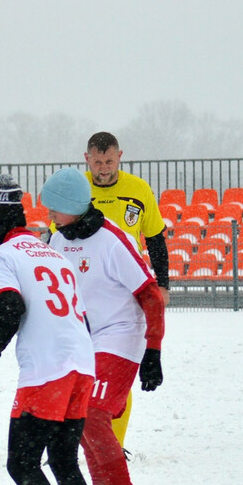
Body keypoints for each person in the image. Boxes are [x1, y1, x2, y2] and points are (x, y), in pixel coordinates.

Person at [0, 175, 98, 485]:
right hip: (83, 361)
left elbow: (10, 306)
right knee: (64, 462)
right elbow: (82, 315)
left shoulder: (4, 255)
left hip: (48, 371)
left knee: (22, 464)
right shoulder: (52, 253)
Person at [42, 168, 166, 485]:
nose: (50, 216)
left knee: (94, 416)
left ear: (72, 207)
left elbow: (151, 296)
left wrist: (153, 350)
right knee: (80, 421)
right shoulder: (59, 239)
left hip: (121, 336)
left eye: (55, 209)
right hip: (86, 340)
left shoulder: (113, 241)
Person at [83, 131, 170, 450]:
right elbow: (58, 240)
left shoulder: (138, 189)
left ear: (120, 157)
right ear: (86, 159)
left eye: (109, 161)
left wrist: (162, 284)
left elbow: (156, 240)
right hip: (86, 293)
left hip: (127, 293)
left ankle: (113, 443)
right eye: (97, 162)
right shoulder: (78, 191)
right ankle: (74, 441)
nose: (103, 168)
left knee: (116, 370)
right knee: (78, 368)